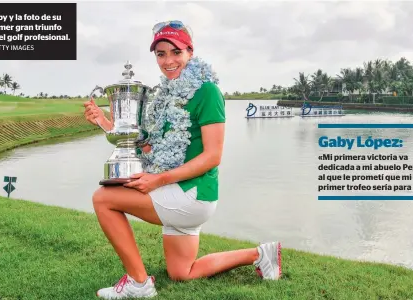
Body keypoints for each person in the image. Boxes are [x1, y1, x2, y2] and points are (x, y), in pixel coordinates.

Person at [83, 20, 282, 299]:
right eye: (161, 54)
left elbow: (213, 156)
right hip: (175, 192)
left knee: (103, 198)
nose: (168, 61)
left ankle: (138, 284)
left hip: (192, 194)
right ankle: (262, 254)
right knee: (182, 272)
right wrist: (106, 122)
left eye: (175, 52)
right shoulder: (166, 95)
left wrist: (157, 180)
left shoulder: (207, 92)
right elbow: (149, 148)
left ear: (190, 51)